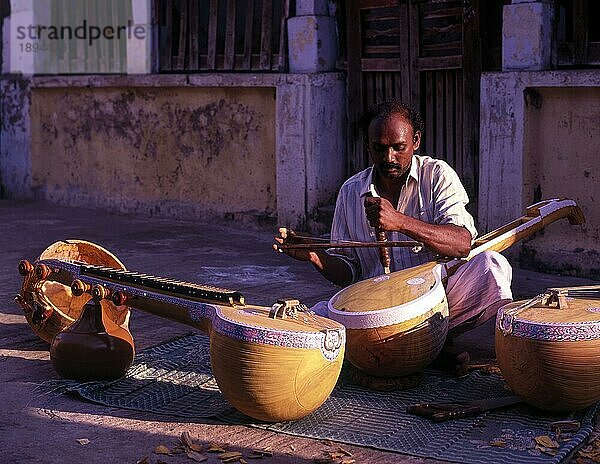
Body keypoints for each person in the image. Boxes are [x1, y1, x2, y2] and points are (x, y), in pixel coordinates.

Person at [274, 99, 512, 354]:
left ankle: (419, 343)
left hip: (433, 301)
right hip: (376, 312)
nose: (389, 158)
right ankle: (423, 349)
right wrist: (315, 256)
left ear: (416, 141)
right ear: (368, 145)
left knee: (490, 267)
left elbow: (461, 243)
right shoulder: (351, 191)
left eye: (399, 148)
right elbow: (349, 274)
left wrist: (400, 222)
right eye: (379, 148)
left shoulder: (437, 175)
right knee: (312, 319)